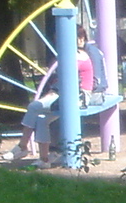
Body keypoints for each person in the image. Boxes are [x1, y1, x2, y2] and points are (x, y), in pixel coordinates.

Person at [14, 22, 97, 162]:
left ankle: (22, 146)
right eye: (79, 36)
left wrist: (53, 92)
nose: (82, 39)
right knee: (41, 119)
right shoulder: (71, 55)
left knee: (34, 106)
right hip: (66, 93)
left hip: (78, 96)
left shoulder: (76, 56)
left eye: (82, 36)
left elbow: (69, 81)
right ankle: (44, 159)